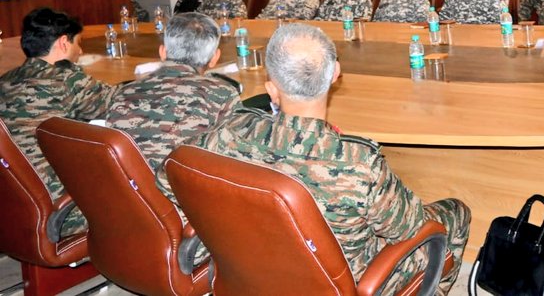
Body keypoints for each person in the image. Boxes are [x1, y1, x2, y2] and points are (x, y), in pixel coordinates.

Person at [160, 23, 471, 293]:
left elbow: (170, 175)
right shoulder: (357, 162)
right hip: (347, 282)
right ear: (335, 74)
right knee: (454, 214)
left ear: (271, 88)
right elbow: (409, 227)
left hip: (248, 274)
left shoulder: (228, 133)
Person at [0, 8, 119, 236]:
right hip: (61, 211)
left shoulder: (5, 81)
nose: (80, 50)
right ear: (64, 43)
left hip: (12, 206)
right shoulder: (67, 80)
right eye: (78, 43)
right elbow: (124, 108)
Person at [105, 12, 242, 172]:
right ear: (214, 58)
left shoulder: (123, 93)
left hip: (129, 191)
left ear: (162, 52)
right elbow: (236, 158)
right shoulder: (223, 94)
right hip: (183, 192)